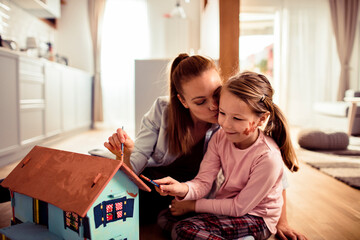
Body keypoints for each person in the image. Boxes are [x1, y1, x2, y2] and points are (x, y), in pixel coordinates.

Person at [104, 54, 307, 240]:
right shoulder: (167, 112)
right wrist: (127, 153)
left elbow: (275, 174)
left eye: (217, 95)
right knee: (158, 219)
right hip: (174, 186)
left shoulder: (232, 120)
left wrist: (282, 221)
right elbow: (136, 166)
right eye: (200, 101)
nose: (214, 107)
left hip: (220, 202)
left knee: (181, 229)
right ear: (183, 101)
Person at [154, 71, 296, 239]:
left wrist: (193, 206)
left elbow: (239, 207)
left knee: (181, 230)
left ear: (261, 119)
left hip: (256, 218)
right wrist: (182, 188)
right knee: (166, 217)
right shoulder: (220, 138)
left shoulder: (268, 157)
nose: (226, 124)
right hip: (229, 210)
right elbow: (203, 182)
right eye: (222, 113)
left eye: (237, 118)